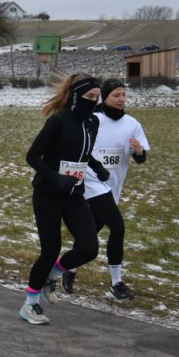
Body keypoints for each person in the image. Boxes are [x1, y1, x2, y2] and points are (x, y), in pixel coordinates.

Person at [21, 73, 110, 325]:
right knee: (50, 250)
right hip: (48, 195)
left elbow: (83, 151)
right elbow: (32, 156)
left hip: (74, 195)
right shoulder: (58, 122)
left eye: (97, 97)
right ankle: (30, 304)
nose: (93, 101)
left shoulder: (93, 122)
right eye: (89, 96)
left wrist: (97, 167)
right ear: (75, 96)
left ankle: (53, 276)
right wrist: (56, 177)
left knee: (89, 247)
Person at [64, 78, 150, 301]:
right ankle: (116, 283)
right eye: (116, 95)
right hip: (91, 181)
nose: (121, 99)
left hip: (112, 186)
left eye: (124, 95)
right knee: (118, 228)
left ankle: (67, 268)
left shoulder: (132, 124)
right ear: (105, 97)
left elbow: (141, 158)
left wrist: (139, 152)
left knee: (90, 232)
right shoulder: (93, 119)